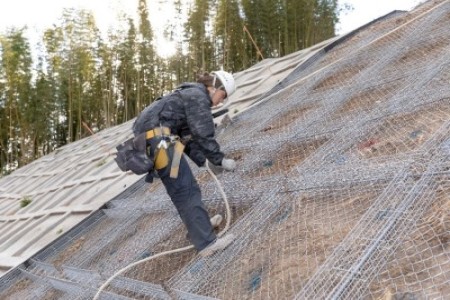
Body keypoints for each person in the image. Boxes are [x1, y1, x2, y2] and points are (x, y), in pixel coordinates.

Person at [132, 70, 237, 257]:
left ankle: (200, 227)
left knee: (183, 188)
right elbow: (203, 133)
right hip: (159, 140)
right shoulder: (198, 96)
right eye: (223, 96)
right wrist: (219, 159)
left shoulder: (188, 94)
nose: (221, 101)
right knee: (185, 190)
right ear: (214, 87)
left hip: (156, 139)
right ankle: (207, 243)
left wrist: (203, 160)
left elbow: (186, 137)